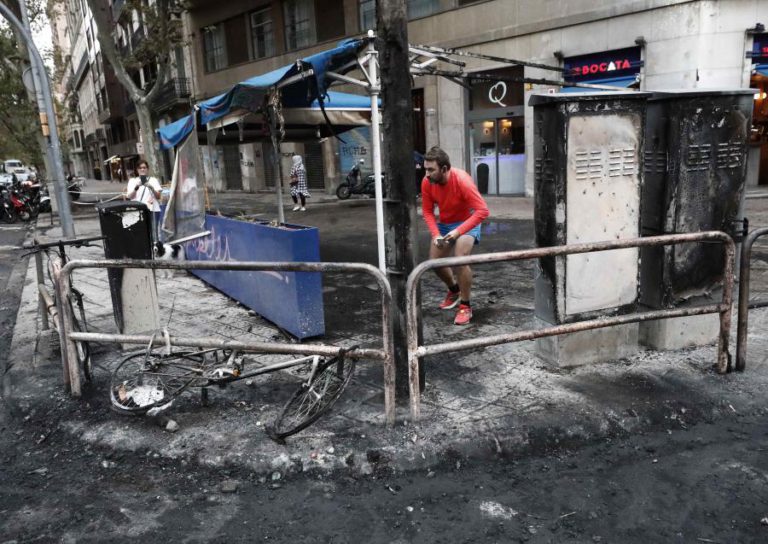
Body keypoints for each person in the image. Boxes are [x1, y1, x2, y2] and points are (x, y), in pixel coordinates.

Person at [420, 146, 489, 326]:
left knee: (460, 259)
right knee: (434, 262)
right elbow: (427, 211)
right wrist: (436, 234)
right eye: (425, 169)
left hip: (467, 221)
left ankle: (465, 306)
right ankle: (454, 290)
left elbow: (482, 211)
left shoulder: (462, 181)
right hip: (445, 224)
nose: (426, 174)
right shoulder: (427, 183)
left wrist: (458, 232)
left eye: (430, 169)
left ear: (444, 169)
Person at [125, 159, 162, 242]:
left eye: (144, 167)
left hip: (153, 210)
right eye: (140, 168)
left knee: (153, 234)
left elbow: (158, 196)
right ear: (137, 170)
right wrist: (136, 187)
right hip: (137, 212)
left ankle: (154, 251)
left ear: (147, 169)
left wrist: (151, 187)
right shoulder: (132, 181)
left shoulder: (153, 180)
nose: (142, 169)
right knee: (139, 234)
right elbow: (130, 197)